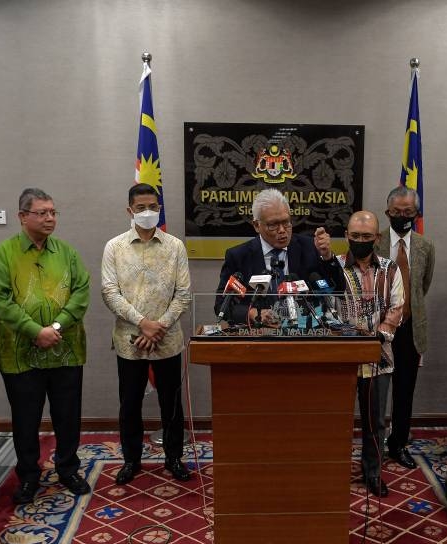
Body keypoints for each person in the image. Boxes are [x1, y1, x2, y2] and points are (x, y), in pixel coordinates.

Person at [0, 188, 91, 505]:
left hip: (66, 351)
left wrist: (55, 327)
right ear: (22, 217)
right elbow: (0, 300)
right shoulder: (4, 254)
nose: (49, 218)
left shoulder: (67, 253)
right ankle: (29, 477)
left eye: (53, 212)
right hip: (21, 357)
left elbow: (81, 292)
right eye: (42, 212)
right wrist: (35, 331)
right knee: (26, 420)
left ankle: (68, 469)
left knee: (68, 416)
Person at [101, 184, 192, 485]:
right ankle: (131, 460)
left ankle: (174, 457)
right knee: (129, 403)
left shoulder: (175, 246)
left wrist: (158, 327)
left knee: (172, 403)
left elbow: (184, 295)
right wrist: (143, 323)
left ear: (160, 208)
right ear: (130, 211)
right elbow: (110, 293)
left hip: (167, 339)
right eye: (140, 208)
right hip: (129, 341)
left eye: (153, 206)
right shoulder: (114, 247)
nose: (147, 212)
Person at [334, 211, 404, 497]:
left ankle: (372, 472)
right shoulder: (333, 267)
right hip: (339, 361)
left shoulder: (391, 269)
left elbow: (397, 308)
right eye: (355, 236)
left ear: (377, 238)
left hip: (378, 358)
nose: (360, 241)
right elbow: (324, 308)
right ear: (346, 236)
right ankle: (333, 471)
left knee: (375, 420)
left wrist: (378, 335)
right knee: (335, 418)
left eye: (366, 236)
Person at [375, 186, 435, 471]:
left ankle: (398, 444)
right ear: (387, 213)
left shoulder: (425, 246)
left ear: (416, 213)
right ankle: (373, 445)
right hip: (378, 329)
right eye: (397, 212)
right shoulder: (374, 242)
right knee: (375, 390)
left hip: (410, 330)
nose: (402, 216)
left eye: (408, 212)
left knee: (404, 391)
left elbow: (422, 286)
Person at [215, 188, 339, 324]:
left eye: (286, 222)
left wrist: (327, 257)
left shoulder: (309, 247)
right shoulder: (239, 256)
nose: (282, 230)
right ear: (257, 225)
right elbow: (221, 305)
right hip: (259, 337)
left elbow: (339, 289)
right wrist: (252, 313)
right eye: (273, 225)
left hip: (305, 332)